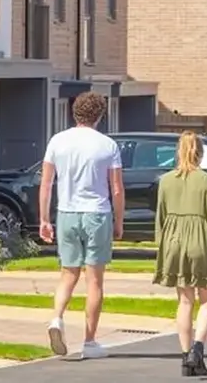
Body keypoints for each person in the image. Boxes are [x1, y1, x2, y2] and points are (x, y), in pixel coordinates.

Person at [38, 92, 124, 359]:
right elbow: (117, 188)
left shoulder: (57, 141)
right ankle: (89, 341)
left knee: (68, 274)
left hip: (66, 212)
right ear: (99, 115)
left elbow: (46, 183)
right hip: (97, 213)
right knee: (94, 280)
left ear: (75, 113)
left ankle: (57, 318)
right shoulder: (108, 145)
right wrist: (119, 221)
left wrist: (44, 219)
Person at [153, 131, 207, 377]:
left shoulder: (165, 180)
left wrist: (162, 244)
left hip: (173, 241)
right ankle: (197, 348)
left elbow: (161, 215)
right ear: (201, 152)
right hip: (200, 240)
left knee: (184, 301)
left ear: (178, 151)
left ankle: (187, 358)